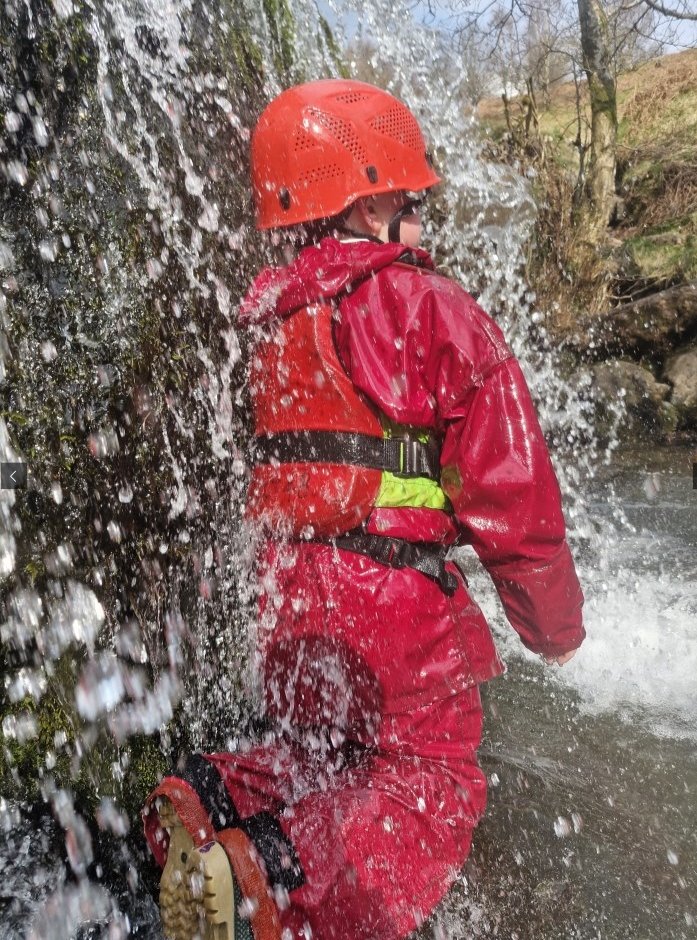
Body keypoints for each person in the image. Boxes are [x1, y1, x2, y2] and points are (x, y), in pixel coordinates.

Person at [142, 78, 585, 940]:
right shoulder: (429, 307)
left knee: (324, 752)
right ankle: (261, 880)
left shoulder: (269, 316)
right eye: (413, 201)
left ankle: (204, 800)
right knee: (427, 777)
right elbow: (513, 495)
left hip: (290, 597)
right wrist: (553, 629)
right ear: (370, 202)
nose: (421, 219)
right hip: (391, 604)